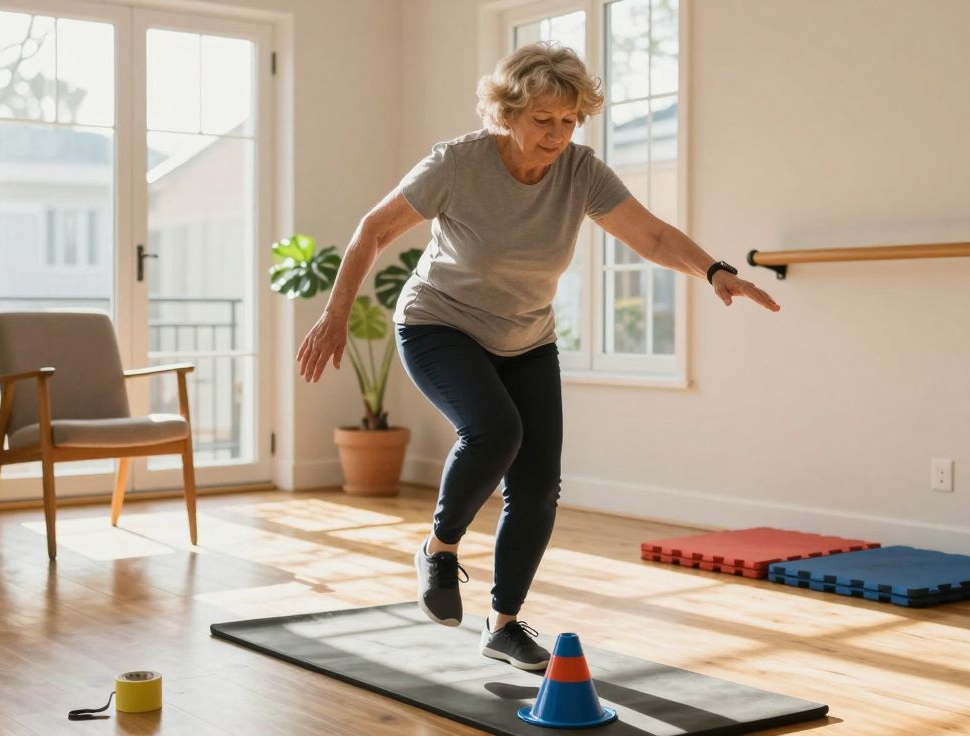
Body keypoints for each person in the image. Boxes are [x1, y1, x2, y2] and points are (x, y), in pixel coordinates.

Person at [294, 43, 780, 671]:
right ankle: (439, 549)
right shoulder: (457, 164)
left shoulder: (582, 172)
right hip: (439, 324)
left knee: (538, 485)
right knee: (496, 430)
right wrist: (335, 314)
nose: (557, 135)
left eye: (569, 121)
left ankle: (503, 623)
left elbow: (652, 235)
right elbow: (375, 230)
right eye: (542, 120)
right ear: (508, 114)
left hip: (527, 336)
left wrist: (714, 270)